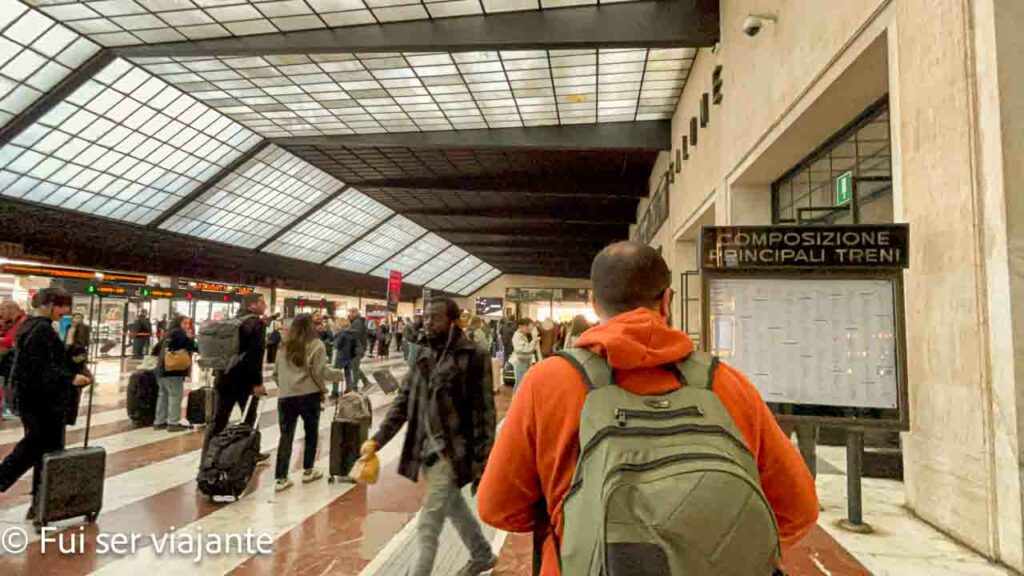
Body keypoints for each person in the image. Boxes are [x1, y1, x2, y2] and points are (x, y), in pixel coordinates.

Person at [476, 242, 820, 575]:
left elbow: (498, 507)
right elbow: (798, 508)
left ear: (594, 303)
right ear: (667, 300)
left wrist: (574, 523)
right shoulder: (725, 383)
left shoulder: (548, 382)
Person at [358, 297, 497, 576]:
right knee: (454, 506)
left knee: (428, 523)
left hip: (454, 451)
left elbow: (485, 412)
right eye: (426, 317)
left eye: (435, 318)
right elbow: (403, 401)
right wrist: (377, 440)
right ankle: (482, 554)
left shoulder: (474, 356)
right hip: (425, 449)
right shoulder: (424, 354)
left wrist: (483, 461)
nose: (428, 323)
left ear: (453, 322)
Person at [0, 288, 92, 522]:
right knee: (36, 447)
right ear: (49, 305)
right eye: (62, 306)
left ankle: (40, 503)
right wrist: (70, 378)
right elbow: (42, 367)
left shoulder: (30, 326)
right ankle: (21, 490)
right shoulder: (42, 330)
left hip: (31, 399)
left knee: (44, 451)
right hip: (43, 402)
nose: (65, 311)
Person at [273, 313, 345, 492]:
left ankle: (281, 478)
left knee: (285, 436)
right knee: (311, 434)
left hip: (286, 397)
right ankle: (308, 471)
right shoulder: (316, 344)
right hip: (309, 396)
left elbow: (275, 374)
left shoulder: (284, 345)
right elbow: (319, 372)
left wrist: (287, 387)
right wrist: (337, 375)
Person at [206, 293, 270, 464]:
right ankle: (251, 453)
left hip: (224, 377)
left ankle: (208, 454)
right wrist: (257, 383)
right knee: (249, 418)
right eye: (262, 302)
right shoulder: (256, 324)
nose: (265, 305)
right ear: (252, 305)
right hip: (245, 381)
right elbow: (255, 356)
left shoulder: (232, 321)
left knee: (219, 419)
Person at [151, 314, 197, 433]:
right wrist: (190, 339)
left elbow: (155, 350)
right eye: (184, 323)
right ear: (178, 323)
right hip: (173, 371)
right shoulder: (180, 333)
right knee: (175, 396)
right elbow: (193, 346)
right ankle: (173, 423)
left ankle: (159, 421)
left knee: (163, 396)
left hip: (161, 370)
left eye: (188, 324)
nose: (187, 326)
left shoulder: (168, 333)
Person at [0, 300, 27, 419]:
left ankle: (11, 408)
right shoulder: (12, 323)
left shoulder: (21, 322)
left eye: (2, 310)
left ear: (10, 309)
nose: (1, 313)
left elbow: (11, 341)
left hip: (14, 362)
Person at [64, 312, 92, 426]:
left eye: (80, 317)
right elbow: (66, 340)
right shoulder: (69, 327)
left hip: (78, 353)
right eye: (76, 317)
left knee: (78, 380)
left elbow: (86, 341)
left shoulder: (85, 328)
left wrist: (83, 354)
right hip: (68, 353)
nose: (78, 319)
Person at [332, 318, 358, 396]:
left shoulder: (341, 334)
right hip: (350, 356)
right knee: (348, 374)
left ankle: (335, 391)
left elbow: (337, 345)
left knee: (336, 374)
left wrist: (335, 338)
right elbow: (356, 345)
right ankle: (349, 389)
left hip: (341, 357)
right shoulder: (353, 333)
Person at [347, 308, 372, 390]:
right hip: (357, 347)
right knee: (354, 367)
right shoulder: (357, 322)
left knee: (354, 368)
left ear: (355, 313)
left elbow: (354, 336)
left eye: (351, 313)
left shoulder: (357, 322)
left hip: (357, 348)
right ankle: (366, 381)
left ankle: (354, 386)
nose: (349, 315)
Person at [510, 318, 536, 394]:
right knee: (520, 383)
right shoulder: (517, 336)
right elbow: (521, 349)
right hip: (520, 362)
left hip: (524, 361)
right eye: (527, 327)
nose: (529, 329)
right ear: (521, 326)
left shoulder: (522, 335)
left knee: (523, 382)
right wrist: (533, 344)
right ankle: (516, 399)